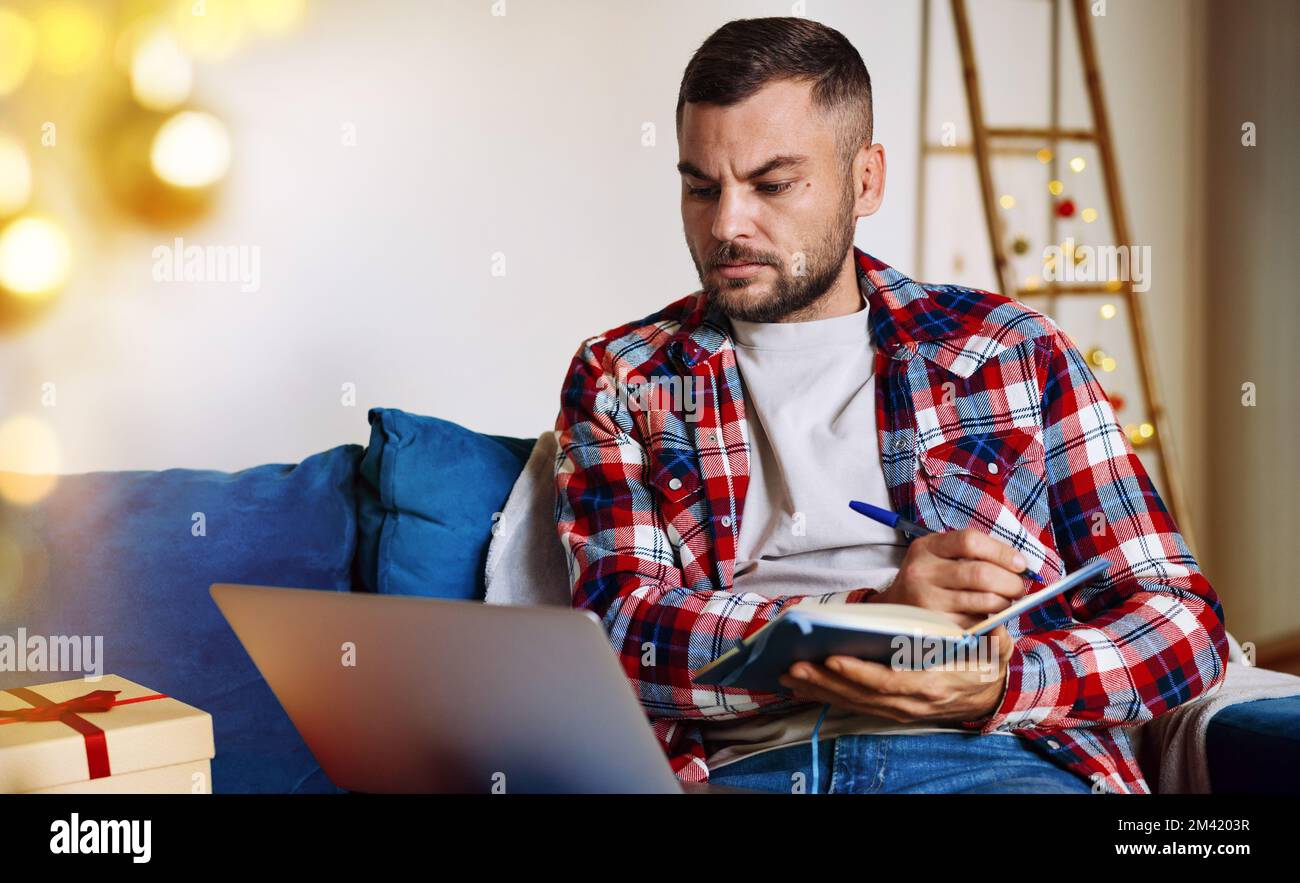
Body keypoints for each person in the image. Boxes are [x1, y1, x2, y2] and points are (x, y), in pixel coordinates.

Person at [552, 16, 1227, 794]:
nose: (726, 224)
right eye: (701, 186)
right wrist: (876, 618)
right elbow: (619, 635)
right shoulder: (623, 375)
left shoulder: (1010, 349)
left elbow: (1181, 618)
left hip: (988, 759)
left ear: (865, 179)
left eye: (772, 184)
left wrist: (999, 684)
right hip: (754, 769)